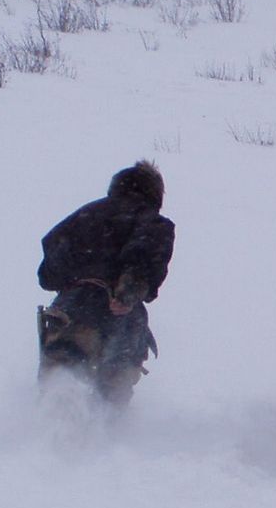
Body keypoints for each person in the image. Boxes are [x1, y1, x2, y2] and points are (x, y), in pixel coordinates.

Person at [38, 160, 176, 404]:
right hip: (118, 315)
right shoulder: (150, 221)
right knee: (111, 397)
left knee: (60, 381)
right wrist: (127, 293)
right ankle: (107, 437)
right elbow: (143, 254)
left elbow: (47, 274)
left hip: (67, 311)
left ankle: (49, 433)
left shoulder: (83, 216)